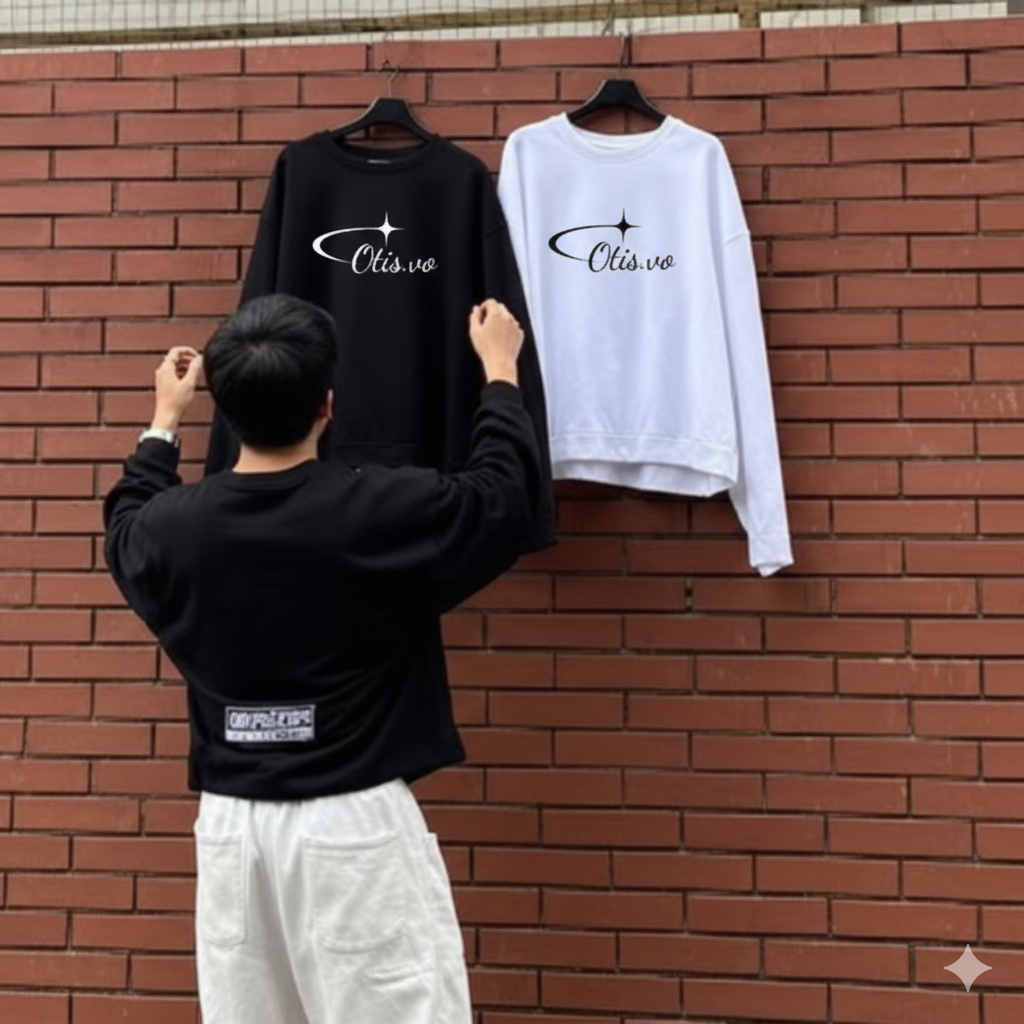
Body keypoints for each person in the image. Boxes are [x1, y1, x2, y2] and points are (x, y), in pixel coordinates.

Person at [102, 292, 546, 1024]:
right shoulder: (381, 510)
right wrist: (500, 371)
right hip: (353, 827)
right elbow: (502, 497)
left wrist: (163, 423)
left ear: (225, 412)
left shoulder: (167, 533)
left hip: (232, 833)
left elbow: (125, 517)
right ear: (327, 406)